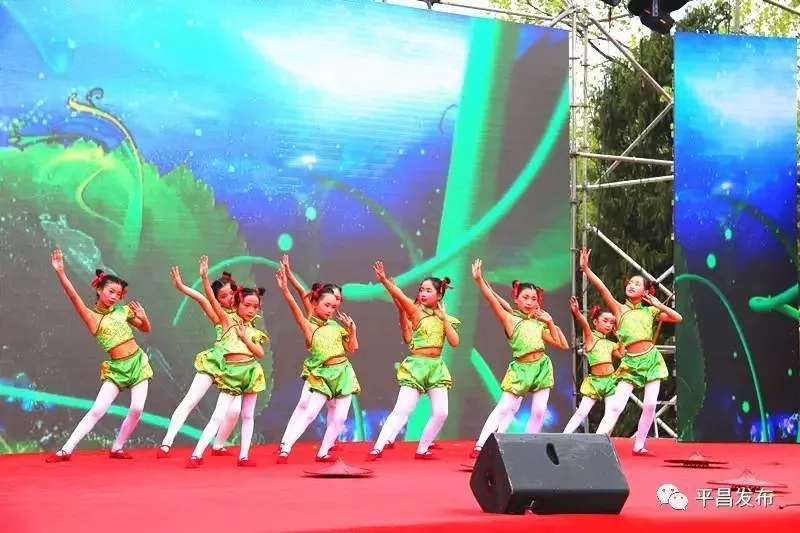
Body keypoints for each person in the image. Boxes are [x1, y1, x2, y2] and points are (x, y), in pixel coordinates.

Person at [46, 250, 153, 462]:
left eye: (118, 294)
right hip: (117, 369)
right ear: (99, 289)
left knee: (137, 409)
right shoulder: (92, 318)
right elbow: (73, 297)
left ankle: (117, 447)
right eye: (111, 291)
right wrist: (60, 272)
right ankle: (65, 450)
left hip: (138, 363)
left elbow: (146, 329)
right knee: (97, 410)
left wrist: (144, 317)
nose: (114, 297)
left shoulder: (123, 311)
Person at [579, 248, 682, 455]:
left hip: (651, 359)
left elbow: (678, 318)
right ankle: (597, 444)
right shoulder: (620, 309)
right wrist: (586, 270)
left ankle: (639, 445)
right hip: (631, 363)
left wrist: (659, 305)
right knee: (616, 406)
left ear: (645, 291)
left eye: (637, 284)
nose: (631, 286)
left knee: (650, 405)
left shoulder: (651, 311)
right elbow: (603, 289)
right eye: (630, 283)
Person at [470, 259, 569, 458]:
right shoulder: (510, 318)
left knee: (539, 411)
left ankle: (529, 446)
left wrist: (550, 323)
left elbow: (563, 345)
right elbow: (492, 300)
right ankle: (480, 446)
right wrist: (480, 280)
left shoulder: (539, 323)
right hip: (521, 368)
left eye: (533, 298)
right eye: (525, 297)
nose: (530, 302)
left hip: (541, 367)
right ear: (516, 299)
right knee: (503, 408)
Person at [367, 262, 460, 461]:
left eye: (428, 290)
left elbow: (454, 342)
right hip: (417, 366)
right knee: (402, 410)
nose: (423, 294)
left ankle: (422, 449)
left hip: (436, 368)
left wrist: (444, 318)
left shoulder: (446, 319)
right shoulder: (416, 312)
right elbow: (399, 295)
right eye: (421, 290)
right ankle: (377, 447)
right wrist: (384, 280)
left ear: (439, 295)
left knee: (442, 413)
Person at [186, 256, 268, 468]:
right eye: (247, 305)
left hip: (251, 372)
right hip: (231, 373)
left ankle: (244, 456)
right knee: (218, 415)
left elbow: (260, 353)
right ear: (237, 303)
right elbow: (211, 300)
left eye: (255, 307)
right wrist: (204, 278)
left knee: (247, 416)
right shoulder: (226, 320)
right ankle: (196, 454)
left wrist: (245, 338)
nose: (251, 310)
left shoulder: (253, 331)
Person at [157, 266, 243, 458]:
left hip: (235, 367)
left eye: (231, 293)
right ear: (217, 300)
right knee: (191, 400)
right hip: (215, 361)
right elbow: (202, 299)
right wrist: (183, 286)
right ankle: (166, 443)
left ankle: (218, 445)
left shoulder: (245, 313)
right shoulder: (218, 314)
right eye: (223, 296)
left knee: (235, 411)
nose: (229, 298)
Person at [275, 268, 360, 463]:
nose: (330, 310)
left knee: (340, 418)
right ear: (315, 304)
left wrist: (352, 330)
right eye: (327, 305)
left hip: (344, 373)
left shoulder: (336, 326)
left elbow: (352, 348)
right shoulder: (309, 325)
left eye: (333, 306)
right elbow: (295, 306)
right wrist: (285, 289)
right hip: (323, 374)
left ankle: (323, 452)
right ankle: (285, 448)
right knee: (310, 412)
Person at [277, 255, 340, 451]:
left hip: (336, 370)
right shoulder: (312, 315)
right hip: (317, 368)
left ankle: (331, 441)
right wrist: (288, 274)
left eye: (338, 299)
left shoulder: (334, 324)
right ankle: (286, 441)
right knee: (304, 404)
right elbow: (301, 292)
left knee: (334, 406)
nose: (336, 302)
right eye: (332, 298)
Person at [562, 297, 621, 433]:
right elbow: (585, 324)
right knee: (582, 412)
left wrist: (619, 335)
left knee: (612, 412)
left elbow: (622, 354)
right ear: (595, 322)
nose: (608, 325)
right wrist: (577, 312)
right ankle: (565, 436)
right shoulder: (591, 338)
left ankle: (601, 437)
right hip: (595, 382)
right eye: (605, 321)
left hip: (610, 381)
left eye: (611, 322)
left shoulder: (610, 344)